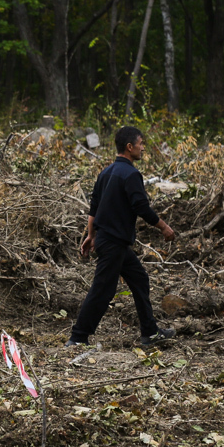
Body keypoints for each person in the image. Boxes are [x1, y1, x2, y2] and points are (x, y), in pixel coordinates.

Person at [67, 125, 177, 347]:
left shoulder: (105, 173)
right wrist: (164, 227)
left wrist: (91, 235)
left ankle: (150, 332)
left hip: (112, 241)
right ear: (129, 147)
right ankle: (78, 337)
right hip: (114, 242)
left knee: (139, 278)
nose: (143, 148)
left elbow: (94, 208)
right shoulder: (131, 174)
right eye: (141, 144)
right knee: (102, 290)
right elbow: (141, 207)